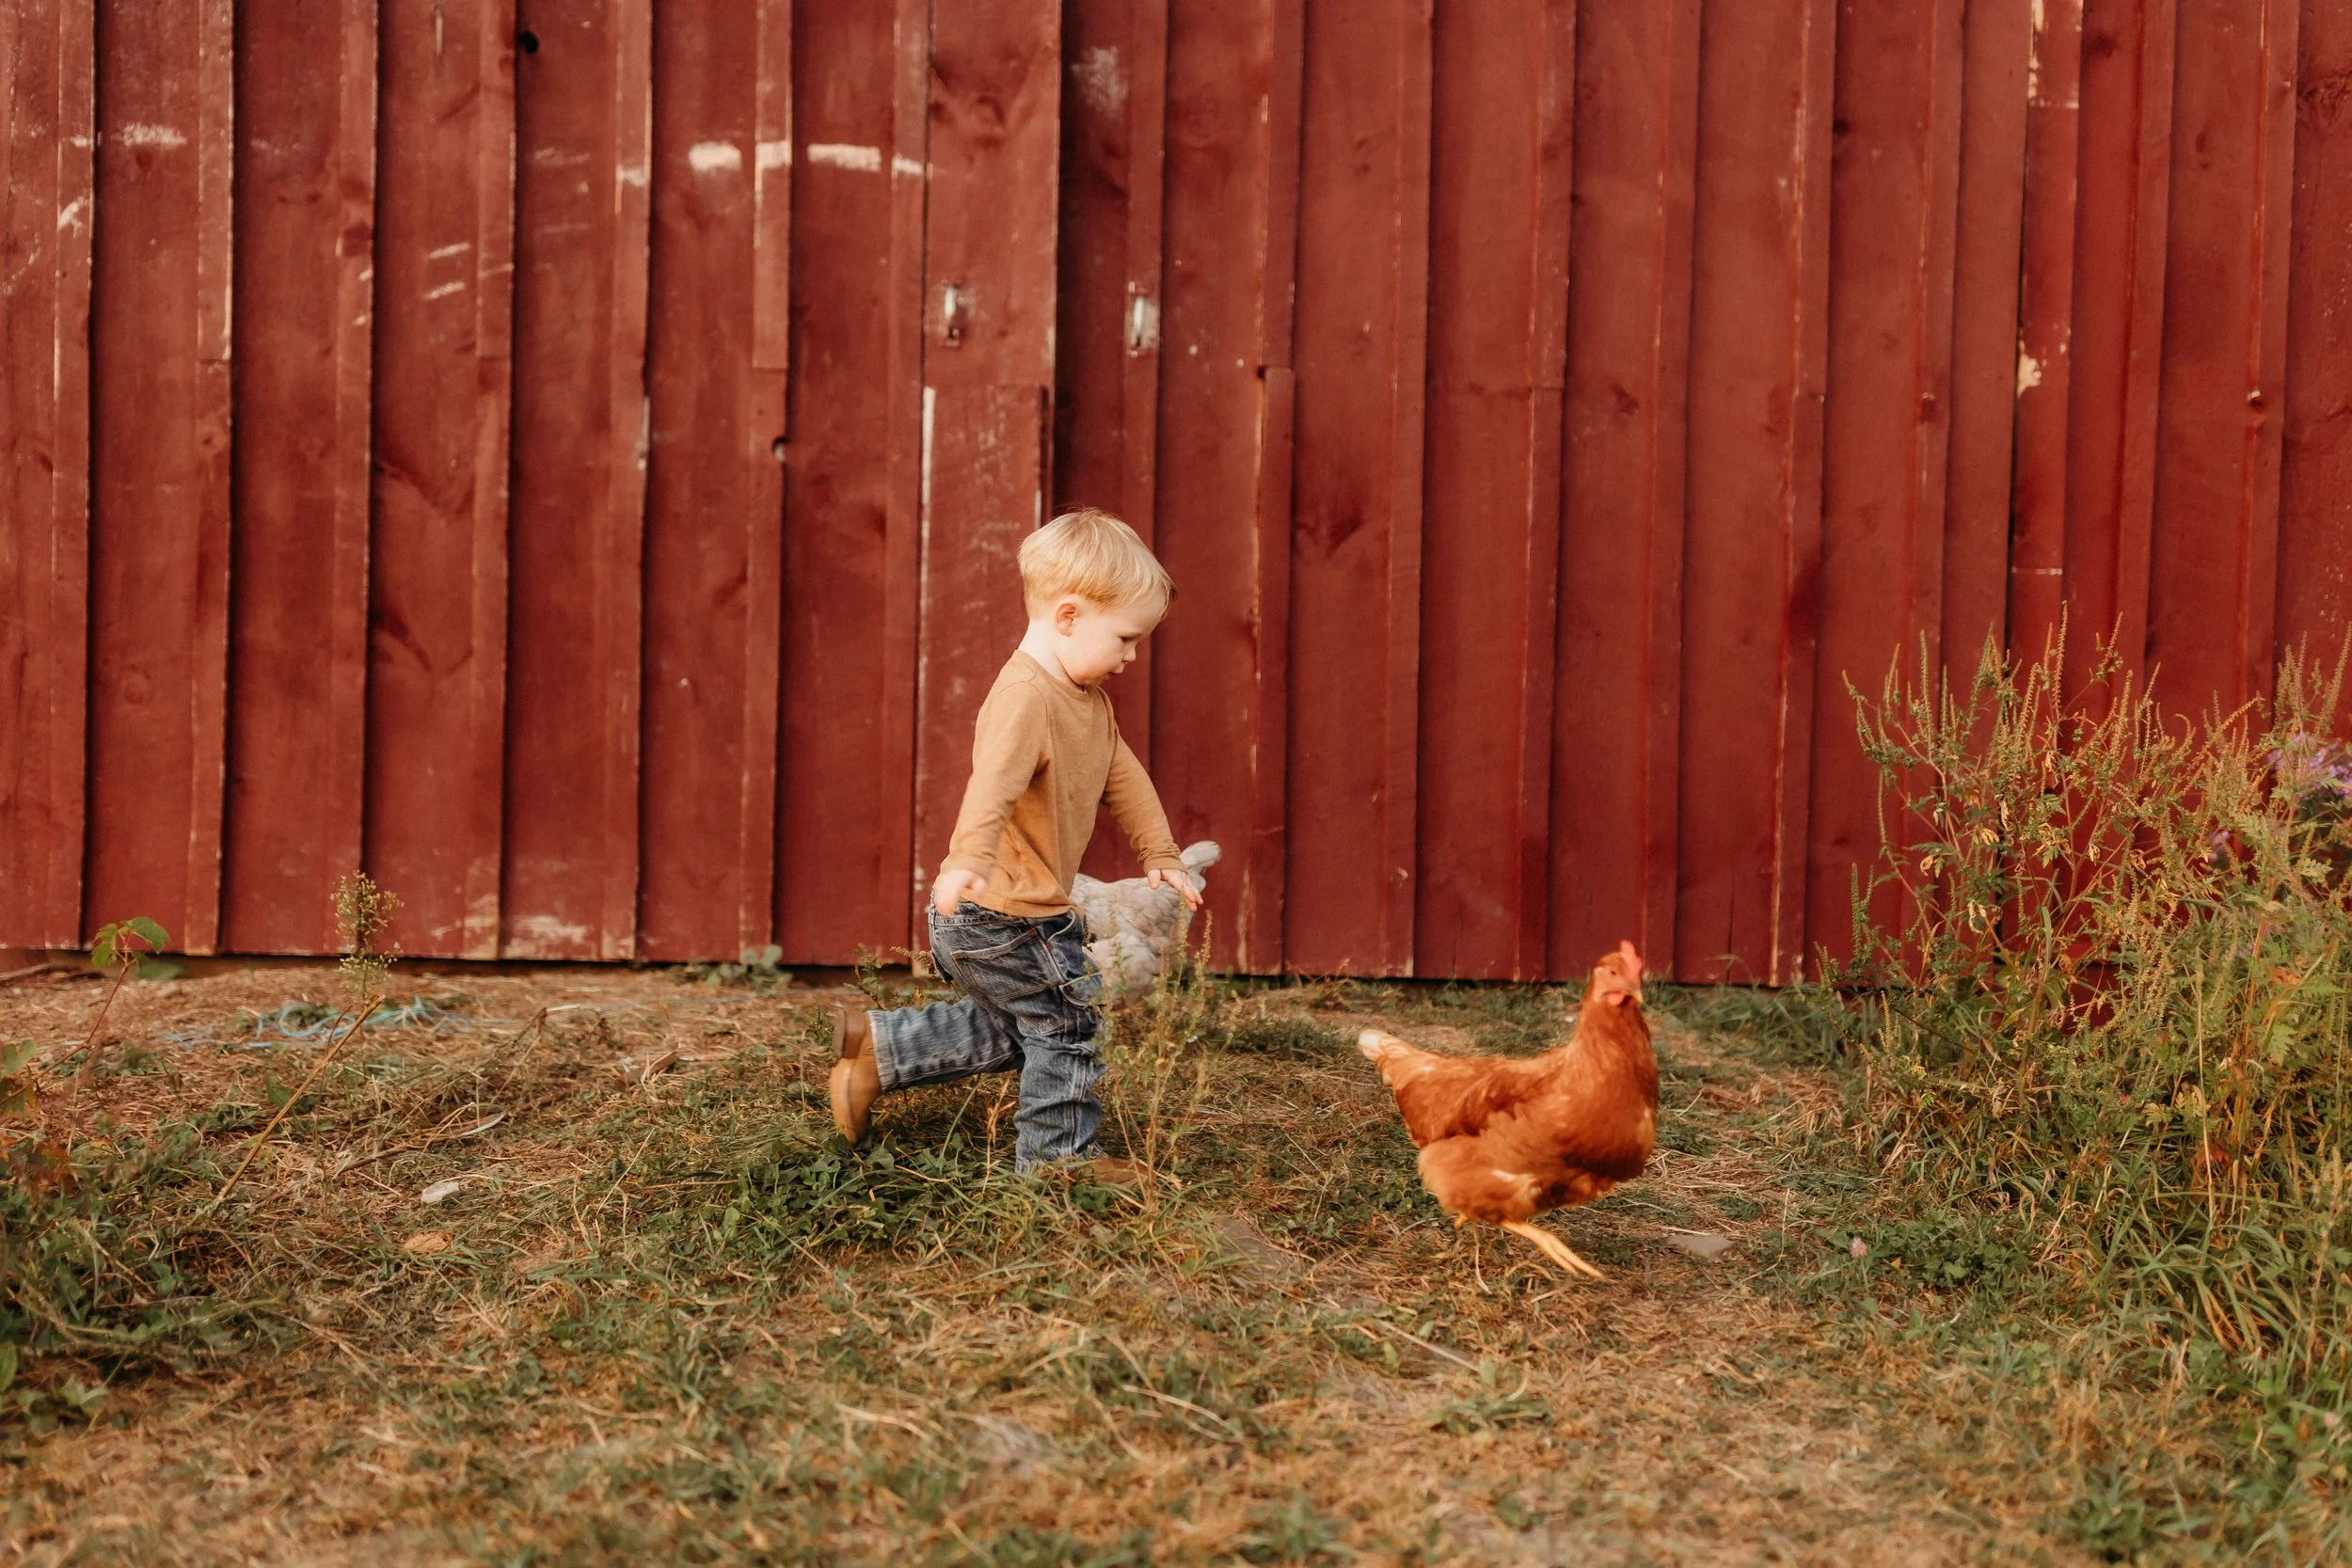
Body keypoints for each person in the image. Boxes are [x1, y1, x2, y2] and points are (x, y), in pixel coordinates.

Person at [827, 509, 1201, 1177]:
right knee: (1068, 1021)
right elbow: (992, 785)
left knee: (1028, 1020)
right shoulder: (1026, 697)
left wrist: (1161, 852)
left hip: (1022, 915)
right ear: (1067, 615)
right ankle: (1057, 1161)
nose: (1131, 655)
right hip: (997, 916)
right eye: (1123, 637)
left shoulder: (1084, 696)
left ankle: (879, 1049)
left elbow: (1124, 774)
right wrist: (966, 859)